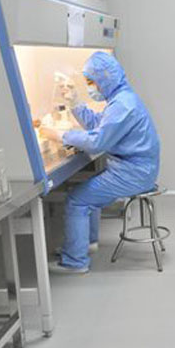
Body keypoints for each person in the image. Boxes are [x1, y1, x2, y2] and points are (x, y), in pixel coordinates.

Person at [40, 52, 160, 274]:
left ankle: (75, 261)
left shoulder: (123, 104)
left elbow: (97, 142)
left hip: (133, 174)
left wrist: (61, 135)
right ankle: (85, 244)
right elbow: (100, 125)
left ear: (105, 78)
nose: (90, 87)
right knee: (88, 195)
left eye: (90, 82)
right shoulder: (121, 98)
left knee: (77, 199)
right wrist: (75, 103)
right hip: (134, 170)